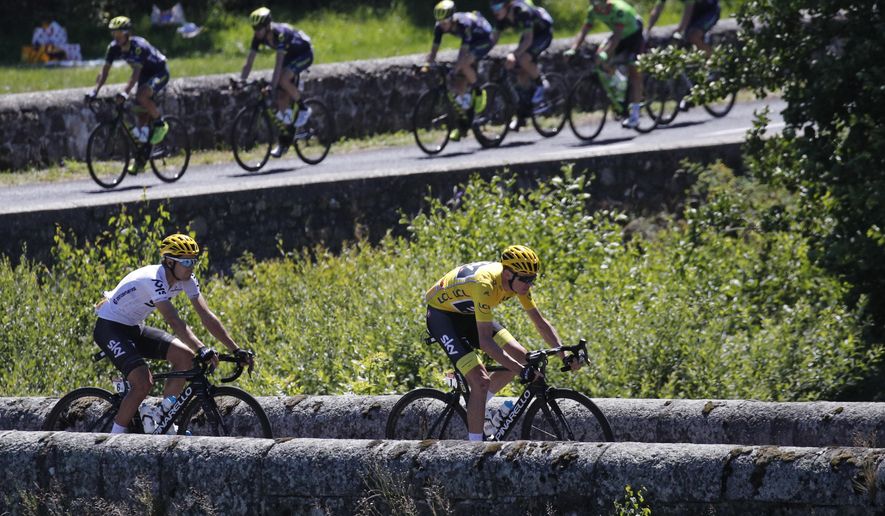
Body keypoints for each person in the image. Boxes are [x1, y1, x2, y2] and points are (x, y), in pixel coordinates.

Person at [92, 234, 254, 434]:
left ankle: (162, 415)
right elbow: (174, 321)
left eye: (194, 260)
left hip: (133, 327)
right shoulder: (153, 280)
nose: (191, 266)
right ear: (169, 261)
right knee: (143, 382)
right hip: (110, 328)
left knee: (185, 356)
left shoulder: (186, 279)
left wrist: (235, 349)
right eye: (186, 261)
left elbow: (206, 316)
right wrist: (202, 348)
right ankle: (115, 440)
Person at [424, 245, 579, 441]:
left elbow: (540, 323)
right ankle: (474, 449)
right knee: (481, 381)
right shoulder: (485, 285)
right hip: (443, 317)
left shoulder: (517, 282)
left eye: (533, 279)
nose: (528, 284)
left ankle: (478, 405)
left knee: (524, 358)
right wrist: (520, 371)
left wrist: (563, 355)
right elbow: (486, 343)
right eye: (525, 279)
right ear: (507, 274)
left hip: (468, 313)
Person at [87, 16, 171, 173]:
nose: (116, 38)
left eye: (119, 34)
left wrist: (125, 93)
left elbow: (136, 74)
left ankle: (160, 124)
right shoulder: (113, 48)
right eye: (114, 34)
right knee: (140, 114)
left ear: (127, 34)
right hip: (146, 75)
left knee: (141, 96)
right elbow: (104, 72)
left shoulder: (138, 46)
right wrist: (94, 91)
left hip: (159, 71)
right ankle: (142, 158)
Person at [240, 6, 314, 158]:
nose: (256, 31)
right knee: (281, 101)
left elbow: (278, 63)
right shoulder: (258, 37)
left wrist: (272, 87)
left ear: (267, 26)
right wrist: (241, 81)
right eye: (254, 28)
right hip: (291, 55)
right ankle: (284, 141)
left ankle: (303, 108)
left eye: (259, 27)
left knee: (282, 79)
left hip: (304, 53)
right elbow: (249, 62)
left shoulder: (279, 34)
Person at [564, 0, 646, 129]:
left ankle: (635, 116)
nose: (595, 6)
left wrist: (607, 53)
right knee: (599, 58)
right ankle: (619, 83)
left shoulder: (618, 9)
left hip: (634, 36)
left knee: (634, 71)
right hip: (619, 35)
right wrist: (573, 49)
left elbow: (617, 37)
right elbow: (584, 30)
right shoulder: (593, 10)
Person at [424, 1, 495, 142]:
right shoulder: (439, 27)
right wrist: (426, 65)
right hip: (471, 41)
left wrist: (454, 69)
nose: (443, 25)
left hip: (484, 38)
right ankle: (463, 124)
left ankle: (479, 91)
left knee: (462, 65)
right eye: (440, 22)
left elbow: (463, 53)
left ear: (452, 19)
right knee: (458, 83)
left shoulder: (464, 25)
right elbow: (433, 51)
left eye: (445, 21)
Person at [488, 0, 555, 131]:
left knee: (523, 59)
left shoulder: (522, 11)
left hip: (543, 33)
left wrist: (514, 54)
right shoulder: (500, 17)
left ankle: (541, 84)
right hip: (529, 34)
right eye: (492, 8)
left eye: (497, 7)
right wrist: (481, 53)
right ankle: (522, 115)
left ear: (507, 5)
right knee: (520, 72)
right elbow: (493, 39)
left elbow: (529, 40)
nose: (495, 11)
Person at [646, 0, 720, 56]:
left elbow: (686, 18)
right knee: (686, 39)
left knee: (693, 36)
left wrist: (678, 29)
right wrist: (648, 30)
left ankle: (713, 59)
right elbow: (657, 9)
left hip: (710, 11)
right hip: (695, 12)